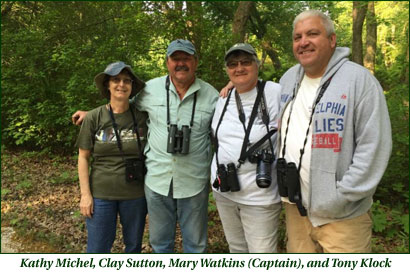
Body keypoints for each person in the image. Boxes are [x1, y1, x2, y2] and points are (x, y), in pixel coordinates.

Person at [73, 40, 219, 253]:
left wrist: (233, 85)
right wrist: (93, 116)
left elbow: (230, 121)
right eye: (175, 59)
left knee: (196, 245)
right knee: (160, 244)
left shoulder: (213, 95)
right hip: (157, 182)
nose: (181, 63)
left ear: (195, 62)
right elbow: (121, 105)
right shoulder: (151, 90)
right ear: (167, 62)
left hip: (194, 183)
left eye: (186, 58)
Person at [276, 10, 392, 253]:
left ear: (332, 40)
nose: (303, 42)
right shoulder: (287, 79)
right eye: (297, 37)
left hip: (343, 217)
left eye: (312, 34)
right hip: (295, 209)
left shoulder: (358, 80)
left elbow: (374, 145)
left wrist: (341, 196)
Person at [211, 43, 282, 253]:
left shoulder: (275, 91)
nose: (239, 68)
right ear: (227, 70)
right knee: (236, 250)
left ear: (257, 64)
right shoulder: (223, 98)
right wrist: (234, 83)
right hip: (224, 191)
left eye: (245, 62)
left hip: (259, 197)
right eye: (233, 64)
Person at [76, 61, 148, 253]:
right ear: (107, 85)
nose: (121, 85)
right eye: (116, 80)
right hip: (101, 195)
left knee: (133, 248)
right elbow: (83, 158)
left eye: (126, 80)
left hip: (135, 195)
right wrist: (85, 195)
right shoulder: (94, 117)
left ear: (132, 87)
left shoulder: (142, 117)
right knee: (98, 249)